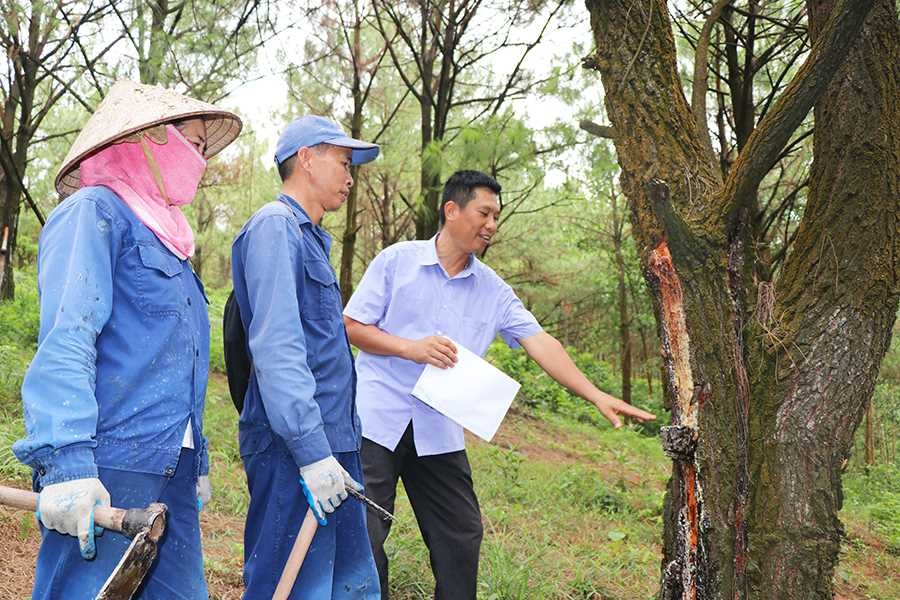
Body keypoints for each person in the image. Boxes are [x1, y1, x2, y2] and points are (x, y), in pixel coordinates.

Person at [343, 169, 656, 599]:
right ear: (451, 210)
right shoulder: (398, 262)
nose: (491, 225)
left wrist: (595, 394)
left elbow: (541, 342)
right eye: (484, 213)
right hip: (377, 419)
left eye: (496, 217)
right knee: (364, 532)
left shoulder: (493, 291)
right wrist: (409, 348)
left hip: (438, 431)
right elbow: (352, 326)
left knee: (461, 535)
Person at [13, 80, 242, 599]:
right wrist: (67, 462)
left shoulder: (171, 237)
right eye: (196, 145)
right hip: (109, 463)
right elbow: (68, 335)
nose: (202, 162)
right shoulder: (94, 212)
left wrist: (196, 460)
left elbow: (179, 359)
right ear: (153, 139)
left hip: (171, 464)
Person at [230, 115, 381, 599]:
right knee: (292, 586)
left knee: (348, 586)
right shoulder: (276, 228)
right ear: (307, 159)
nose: (351, 175)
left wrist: (332, 450)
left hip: (335, 444)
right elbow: (277, 348)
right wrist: (312, 454)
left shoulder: (313, 239)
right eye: (343, 161)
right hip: (294, 449)